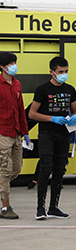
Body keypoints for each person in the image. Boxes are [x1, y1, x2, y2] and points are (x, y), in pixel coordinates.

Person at [28, 56, 76, 221]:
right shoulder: (42, 89)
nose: (64, 74)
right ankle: (40, 208)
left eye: (66, 71)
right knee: (45, 168)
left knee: (59, 169)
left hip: (64, 134)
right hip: (47, 134)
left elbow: (74, 111)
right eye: (60, 72)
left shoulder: (70, 89)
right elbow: (32, 113)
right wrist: (52, 118)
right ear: (52, 72)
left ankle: (53, 207)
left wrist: (75, 119)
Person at [0, 52, 30, 219]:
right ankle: (6, 207)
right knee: (5, 170)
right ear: (2, 66)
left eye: (14, 62)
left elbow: (20, 110)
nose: (13, 66)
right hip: (2, 132)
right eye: (10, 63)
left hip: (16, 132)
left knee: (16, 169)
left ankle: (2, 189)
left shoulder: (17, 84)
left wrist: (25, 133)